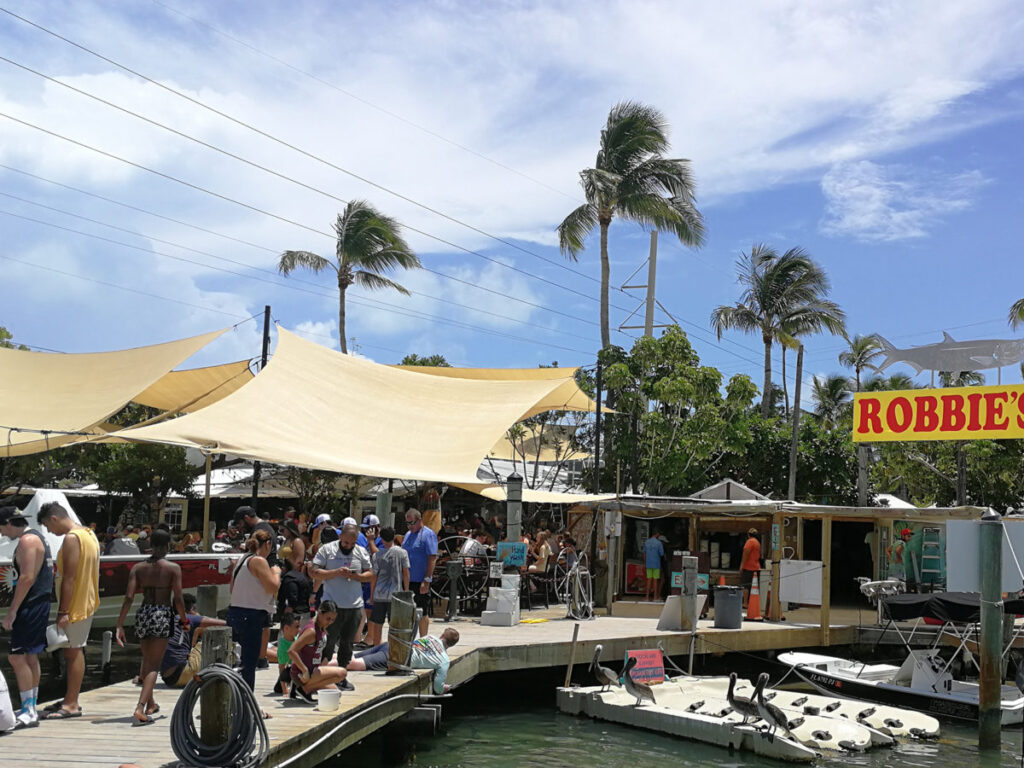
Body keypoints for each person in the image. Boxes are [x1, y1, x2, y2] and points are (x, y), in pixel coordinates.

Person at [114, 529, 188, 726]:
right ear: (167, 546)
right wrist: (184, 620)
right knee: (155, 665)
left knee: (147, 661)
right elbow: (178, 599)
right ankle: (140, 707)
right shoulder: (173, 568)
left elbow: (129, 597)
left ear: (151, 545)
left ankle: (151, 704)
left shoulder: (138, 568)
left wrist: (120, 623)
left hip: (144, 613)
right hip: (162, 614)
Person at [37, 501, 99, 720]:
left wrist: (63, 611)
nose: (50, 532)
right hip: (87, 600)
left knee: (73, 652)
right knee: (74, 650)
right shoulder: (89, 534)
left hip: (76, 605)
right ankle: (69, 698)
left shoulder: (72, 538)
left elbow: (70, 578)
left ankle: (72, 703)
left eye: (48, 526)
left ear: (54, 518)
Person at [0, 506, 54, 728]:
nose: (2, 534)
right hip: (39, 604)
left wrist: (12, 612)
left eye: (2, 528)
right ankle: (30, 706)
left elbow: (26, 578)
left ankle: (28, 709)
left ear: (10, 523)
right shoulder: (38, 537)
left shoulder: (28, 541)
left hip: (31, 605)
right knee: (31, 656)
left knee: (17, 657)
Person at [311, 523, 370, 689]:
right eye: (345, 543)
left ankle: (341, 675)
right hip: (331, 605)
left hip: (354, 605)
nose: (349, 547)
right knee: (326, 642)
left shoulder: (361, 551)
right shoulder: (327, 550)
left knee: (347, 643)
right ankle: (319, 675)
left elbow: (371, 574)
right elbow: (314, 572)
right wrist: (335, 573)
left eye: (352, 544)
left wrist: (355, 576)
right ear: (340, 538)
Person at [226, 528, 280, 705]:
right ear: (268, 544)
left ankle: (233, 701)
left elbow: (232, 589)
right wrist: (277, 572)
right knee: (249, 665)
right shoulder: (258, 560)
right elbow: (273, 587)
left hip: (235, 613)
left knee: (235, 662)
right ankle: (247, 705)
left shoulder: (240, 560)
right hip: (251, 615)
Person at [348, 627, 459, 694]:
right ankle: (331, 667)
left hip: (390, 645)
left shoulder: (430, 637)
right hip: (397, 657)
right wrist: (444, 688)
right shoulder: (444, 660)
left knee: (351, 657)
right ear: (452, 645)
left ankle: (331, 660)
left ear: (442, 635)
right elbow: (438, 688)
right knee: (353, 664)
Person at [233, 506, 278, 668]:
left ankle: (259, 657)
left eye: (239, 523)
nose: (239, 526)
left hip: (263, 573)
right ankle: (261, 656)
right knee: (264, 618)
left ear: (246, 518)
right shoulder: (267, 527)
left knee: (262, 620)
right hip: (265, 572)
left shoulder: (259, 531)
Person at [288, 601, 349, 703]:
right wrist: (304, 670)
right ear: (320, 613)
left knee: (336, 693)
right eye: (328, 618)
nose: (330, 622)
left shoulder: (321, 627)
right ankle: (304, 689)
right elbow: (291, 651)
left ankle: (298, 687)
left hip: (314, 670)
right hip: (304, 674)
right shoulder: (311, 631)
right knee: (342, 673)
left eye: (333, 620)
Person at [160, 593, 225, 687]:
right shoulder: (188, 618)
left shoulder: (167, 621)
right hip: (184, 673)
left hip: (168, 679)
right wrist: (197, 616)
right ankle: (230, 669)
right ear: (192, 608)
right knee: (212, 636)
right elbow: (224, 624)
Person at [367, 527, 410, 646]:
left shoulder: (377, 555)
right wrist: (406, 591)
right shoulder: (402, 552)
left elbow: (374, 577)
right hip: (396, 595)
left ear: (381, 538)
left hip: (379, 594)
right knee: (394, 624)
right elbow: (405, 573)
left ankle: (377, 647)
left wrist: (371, 595)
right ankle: (393, 647)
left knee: (377, 623)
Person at [401, 508, 438, 638]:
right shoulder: (407, 535)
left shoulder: (428, 534)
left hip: (420, 580)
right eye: (407, 523)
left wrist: (427, 580)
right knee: (407, 612)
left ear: (420, 520)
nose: (410, 526)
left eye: (412, 523)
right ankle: (408, 639)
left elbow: (432, 558)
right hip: (406, 581)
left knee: (422, 611)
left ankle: (423, 639)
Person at [355, 514, 383, 646]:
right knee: (367, 609)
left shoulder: (381, 541)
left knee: (373, 609)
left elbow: (378, 556)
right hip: (367, 579)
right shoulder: (365, 541)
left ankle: (371, 638)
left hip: (378, 580)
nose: (366, 532)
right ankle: (369, 636)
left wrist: (371, 541)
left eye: (369, 528)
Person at [276, 545, 312, 624]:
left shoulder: (289, 578)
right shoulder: (300, 575)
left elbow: (293, 597)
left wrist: (289, 608)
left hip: (295, 616)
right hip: (305, 612)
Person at [270, 613, 301, 696]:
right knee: (279, 688)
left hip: (299, 671)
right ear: (286, 628)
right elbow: (282, 668)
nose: (299, 629)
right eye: (297, 627)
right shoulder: (283, 647)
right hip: (289, 673)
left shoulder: (298, 639)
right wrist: (285, 691)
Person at [740, 528, 762, 609]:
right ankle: (752, 603)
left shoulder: (750, 542)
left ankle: (745, 603)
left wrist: (742, 565)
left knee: (746, 585)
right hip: (756, 566)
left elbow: (746, 554)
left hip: (748, 567)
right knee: (754, 586)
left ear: (748, 534)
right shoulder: (757, 543)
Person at [642, 530, 665, 602]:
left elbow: (644, 554)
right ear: (657, 534)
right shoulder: (659, 543)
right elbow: (661, 554)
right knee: (655, 580)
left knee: (649, 580)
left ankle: (647, 597)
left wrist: (645, 563)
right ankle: (655, 597)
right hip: (656, 564)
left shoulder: (646, 542)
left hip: (648, 563)